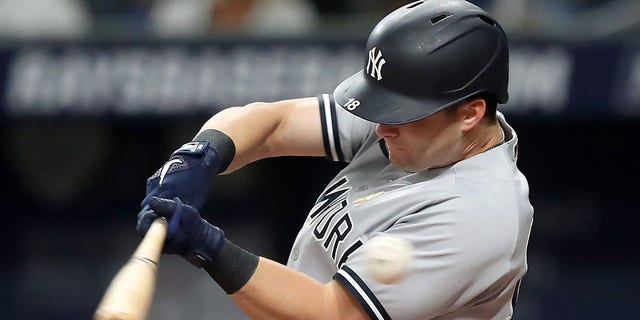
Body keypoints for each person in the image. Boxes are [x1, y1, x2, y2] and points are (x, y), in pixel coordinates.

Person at [137, 0, 534, 319]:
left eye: (400, 115)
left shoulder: (479, 214)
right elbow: (276, 123)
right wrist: (201, 155)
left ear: (470, 114)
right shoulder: (424, 125)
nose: (381, 128)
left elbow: (333, 312)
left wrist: (209, 246)